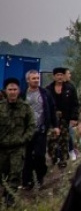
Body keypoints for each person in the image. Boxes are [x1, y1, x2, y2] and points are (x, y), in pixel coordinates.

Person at [0, 78, 35, 206]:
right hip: (2, 147)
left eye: (15, 89)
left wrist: (24, 139)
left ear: (19, 91)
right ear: (5, 91)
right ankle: (4, 194)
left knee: (15, 174)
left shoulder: (25, 108)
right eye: (10, 89)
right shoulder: (1, 107)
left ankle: (10, 200)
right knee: (2, 174)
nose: (12, 92)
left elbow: (31, 125)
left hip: (18, 147)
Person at [22, 70, 59, 190]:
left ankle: (40, 177)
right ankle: (27, 181)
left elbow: (52, 110)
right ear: (28, 80)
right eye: (33, 78)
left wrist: (56, 126)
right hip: (26, 132)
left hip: (41, 130)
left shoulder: (45, 93)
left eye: (37, 78)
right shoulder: (23, 95)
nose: (37, 80)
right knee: (27, 157)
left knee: (39, 155)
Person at [46, 67, 79, 168]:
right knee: (52, 141)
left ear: (64, 76)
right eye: (57, 75)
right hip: (52, 119)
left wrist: (74, 118)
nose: (59, 77)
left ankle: (63, 162)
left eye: (61, 75)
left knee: (64, 140)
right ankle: (54, 158)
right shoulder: (48, 89)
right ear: (54, 76)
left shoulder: (70, 88)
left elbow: (75, 103)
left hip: (65, 118)